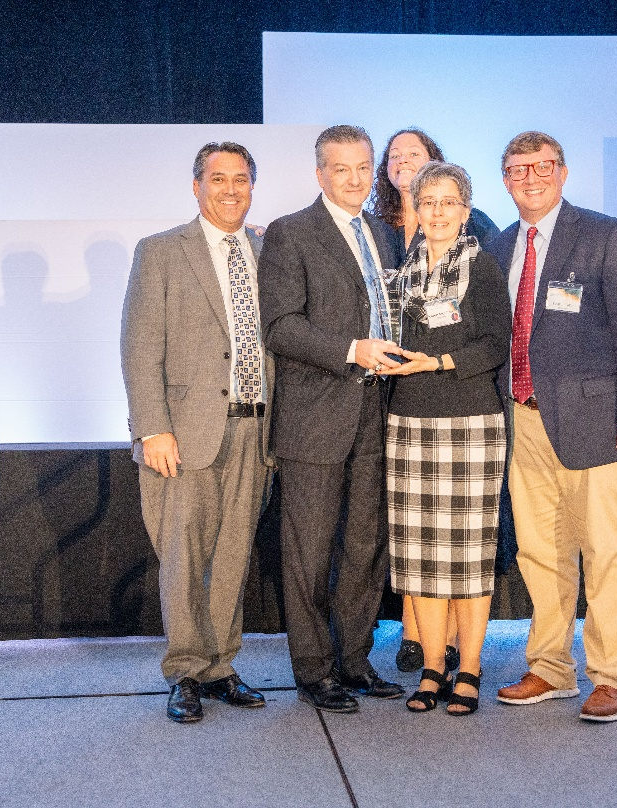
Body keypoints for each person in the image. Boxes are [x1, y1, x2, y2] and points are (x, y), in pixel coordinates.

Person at [486, 131, 617, 722]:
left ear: (563, 172)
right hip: (521, 418)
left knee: (606, 551)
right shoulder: (500, 244)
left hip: (595, 420)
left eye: (542, 167)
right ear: (504, 180)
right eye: (517, 169)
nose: (530, 178)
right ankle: (551, 667)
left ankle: (611, 676)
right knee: (539, 551)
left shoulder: (605, 234)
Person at [121, 142, 273, 723]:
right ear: (196, 186)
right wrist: (152, 427)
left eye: (241, 179)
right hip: (185, 433)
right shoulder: (160, 251)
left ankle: (221, 664)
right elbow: (138, 347)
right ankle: (185, 669)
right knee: (183, 555)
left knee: (233, 555)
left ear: (252, 188)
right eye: (218, 179)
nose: (230, 189)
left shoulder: (264, 249)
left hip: (255, 430)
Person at [258, 124, 405, 713]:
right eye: (341, 169)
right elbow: (281, 326)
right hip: (316, 414)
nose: (354, 179)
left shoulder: (382, 234)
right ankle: (314, 669)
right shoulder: (291, 234)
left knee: (366, 546)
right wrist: (352, 349)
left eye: (363, 168)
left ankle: (354, 659)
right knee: (309, 551)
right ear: (319, 173)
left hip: (378, 408)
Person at [379, 161, 511, 715]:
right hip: (409, 425)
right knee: (423, 557)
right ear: (414, 207)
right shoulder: (398, 274)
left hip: (472, 425)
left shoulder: (482, 269)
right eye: (427, 201)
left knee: (470, 557)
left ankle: (470, 668)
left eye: (448, 201)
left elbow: (496, 344)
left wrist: (437, 361)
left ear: (465, 209)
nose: (437, 211)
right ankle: (433, 668)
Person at [372, 128, 499, 252]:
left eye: (414, 154)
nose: (402, 160)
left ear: (433, 162)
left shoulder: (471, 220)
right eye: (394, 156)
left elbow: (498, 265)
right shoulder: (376, 229)